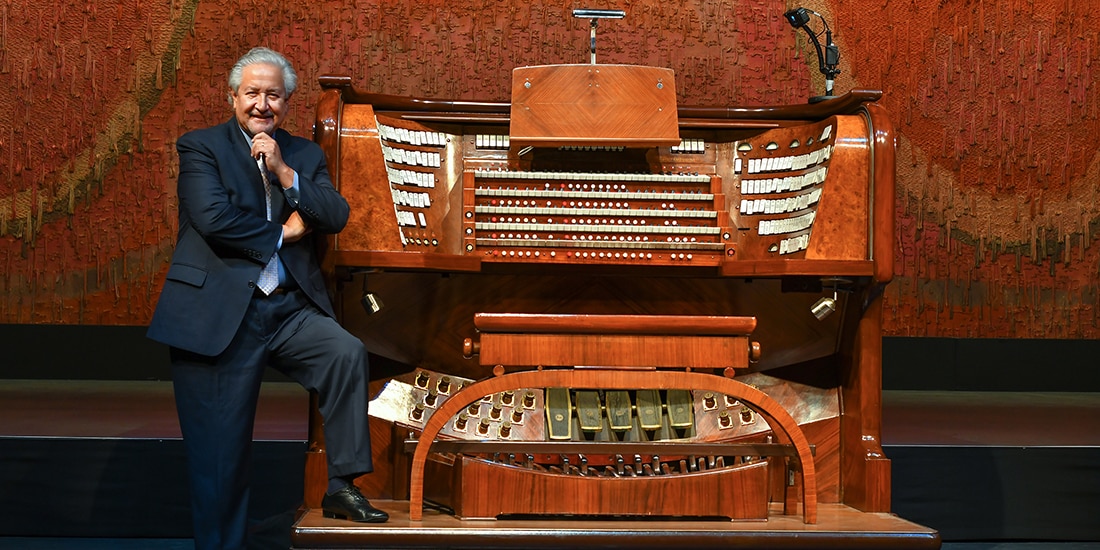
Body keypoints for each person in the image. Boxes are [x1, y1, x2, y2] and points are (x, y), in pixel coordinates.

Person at [147, 47, 387, 550]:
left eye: (272, 94)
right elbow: (213, 219)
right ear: (233, 95)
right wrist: (284, 235)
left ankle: (342, 485)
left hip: (286, 310)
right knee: (221, 458)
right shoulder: (201, 147)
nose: (261, 104)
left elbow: (336, 214)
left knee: (345, 352)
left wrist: (283, 172)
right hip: (218, 316)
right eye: (252, 93)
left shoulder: (303, 155)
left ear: (287, 101)